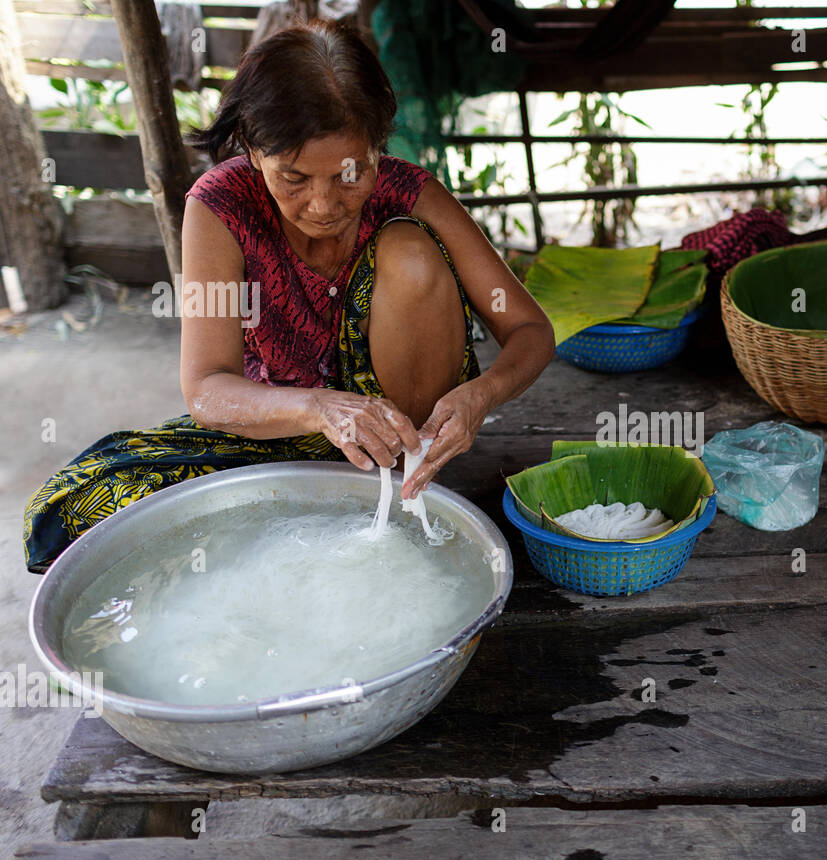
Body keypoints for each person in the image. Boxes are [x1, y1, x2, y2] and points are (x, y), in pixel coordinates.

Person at [22, 18, 554, 574]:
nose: (323, 204)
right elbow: (206, 387)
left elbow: (529, 330)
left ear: (378, 149)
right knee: (74, 503)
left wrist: (480, 397)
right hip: (284, 420)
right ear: (253, 152)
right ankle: (335, 486)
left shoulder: (412, 193)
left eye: (349, 175)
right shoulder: (220, 208)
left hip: (401, 434)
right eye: (294, 178)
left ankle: (407, 482)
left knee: (411, 253)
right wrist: (317, 406)